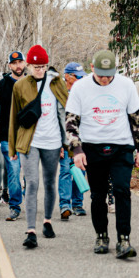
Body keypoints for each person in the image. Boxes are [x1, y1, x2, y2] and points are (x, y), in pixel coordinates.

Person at [65, 49, 139, 259]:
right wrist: (77, 150)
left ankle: (124, 239)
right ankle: (101, 235)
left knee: (122, 191)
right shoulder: (80, 88)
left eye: (109, 75)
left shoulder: (126, 85)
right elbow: (71, 122)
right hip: (93, 146)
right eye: (100, 74)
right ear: (92, 68)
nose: (104, 79)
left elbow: (137, 119)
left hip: (121, 146)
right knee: (98, 194)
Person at [8, 44, 68, 249]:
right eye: (35, 66)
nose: (39, 70)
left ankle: (48, 221)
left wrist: (65, 143)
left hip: (52, 142)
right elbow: (13, 118)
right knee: (32, 183)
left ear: (47, 65)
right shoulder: (21, 86)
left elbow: (65, 114)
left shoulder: (57, 83)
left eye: (42, 66)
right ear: (28, 66)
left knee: (50, 182)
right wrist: (12, 148)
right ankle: (30, 230)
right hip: (29, 142)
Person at [0, 51, 26, 219]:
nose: (18, 65)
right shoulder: (1, 86)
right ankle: (15, 206)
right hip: (8, 138)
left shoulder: (32, 83)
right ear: (9, 66)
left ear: (25, 64)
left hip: (30, 137)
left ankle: (25, 194)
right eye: (14, 63)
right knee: (13, 171)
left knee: (29, 174)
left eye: (20, 62)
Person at [57, 62, 87, 220]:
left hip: (80, 140)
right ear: (67, 76)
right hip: (63, 140)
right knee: (65, 171)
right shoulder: (59, 92)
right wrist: (59, 144)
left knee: (80, 171)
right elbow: (56, 119)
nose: (80, 79)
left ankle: (78, 204)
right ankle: (65, 205)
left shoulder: (83, 92)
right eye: (77, 77)